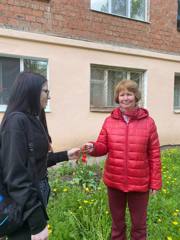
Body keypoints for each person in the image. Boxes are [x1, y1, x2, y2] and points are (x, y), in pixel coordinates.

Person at [0, 72, 80, 240]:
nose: (48, 97)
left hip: (36, 193)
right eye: (45, 91)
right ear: (31, 91)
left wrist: (65, 155)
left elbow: (33, 160)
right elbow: (16, 176)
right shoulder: (16, 123)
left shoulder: (32, 119)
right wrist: (37, 223)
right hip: (23, 202)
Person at [84, 80, 162, 240]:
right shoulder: (109, 121)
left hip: (140, 184)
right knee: (117, 225)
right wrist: (93, 147)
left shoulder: (148, 123)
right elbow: (102, 146)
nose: (125, 98)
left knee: (139, 227)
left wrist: (155, 182)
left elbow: (154, 154)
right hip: (115, 182)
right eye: (122, 95)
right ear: (117, 98)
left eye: (129, 94)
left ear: (136, 96)